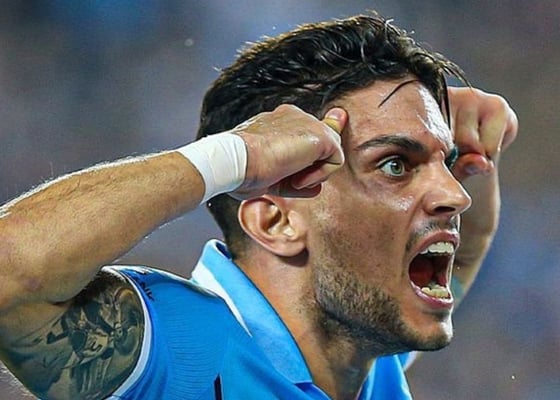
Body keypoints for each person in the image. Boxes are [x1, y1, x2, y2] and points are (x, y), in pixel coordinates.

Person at [0, 12, 517, 400]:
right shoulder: (183, 350)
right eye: (395, 165)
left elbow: (465, 250)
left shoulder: (368, 354)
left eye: (447, 166)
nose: (456, 196)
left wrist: (472, 153)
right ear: (275, 219)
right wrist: (232, 156)